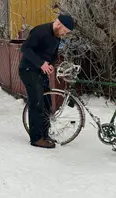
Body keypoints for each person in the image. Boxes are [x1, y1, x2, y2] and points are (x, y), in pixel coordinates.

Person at [19, 14, 75, 149]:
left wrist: (50, 65)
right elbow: (25, 49)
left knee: (46, 103)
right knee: (37, 103)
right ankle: (36, 138)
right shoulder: (40, 31)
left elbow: (53, 55)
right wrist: (41, 63)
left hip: (40, 72)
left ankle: (45, 134)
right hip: (29, 70)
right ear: (58, 25)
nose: (65, 34)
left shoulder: (56, 37)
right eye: (65, 31)